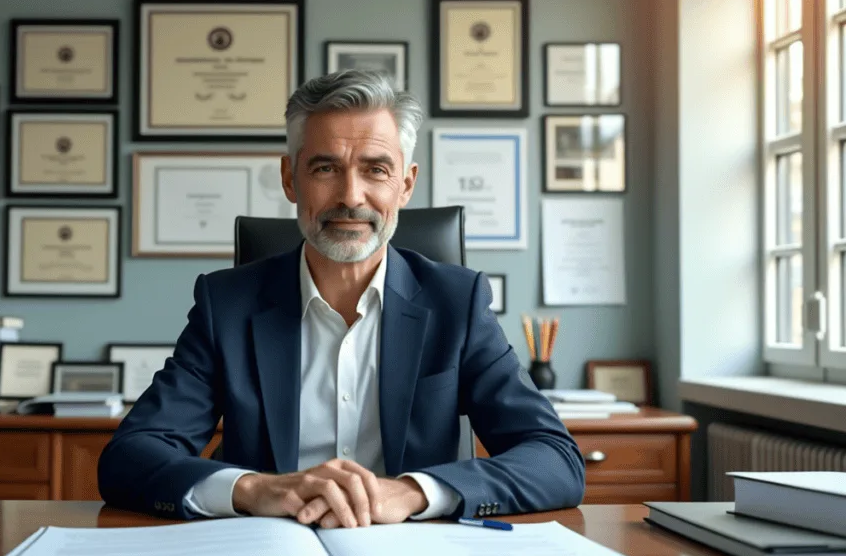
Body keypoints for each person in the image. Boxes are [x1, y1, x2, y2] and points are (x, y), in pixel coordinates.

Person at [98, 70, 585, 529]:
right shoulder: (227, 305)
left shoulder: (457, 303)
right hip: (271, 551)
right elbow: (130, 457)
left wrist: (412, 493)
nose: (351, 196)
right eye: (326, 168)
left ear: (405, 184)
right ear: (290, 179)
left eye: (376, 169)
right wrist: (256, 489)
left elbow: (555, 459)